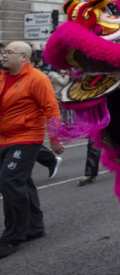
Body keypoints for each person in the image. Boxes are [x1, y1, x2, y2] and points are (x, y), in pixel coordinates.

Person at [0, 41, 65, 259]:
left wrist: (55, 139)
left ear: (24, 57)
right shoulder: (2, 76)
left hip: (26, 137)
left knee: (9, 181)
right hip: (3, 138)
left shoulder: (38, 79)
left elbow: (51, 108)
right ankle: (35, 227)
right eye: (4, 52)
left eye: (9, 52)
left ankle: (12, 237)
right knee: (21, 181)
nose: (4, 55)